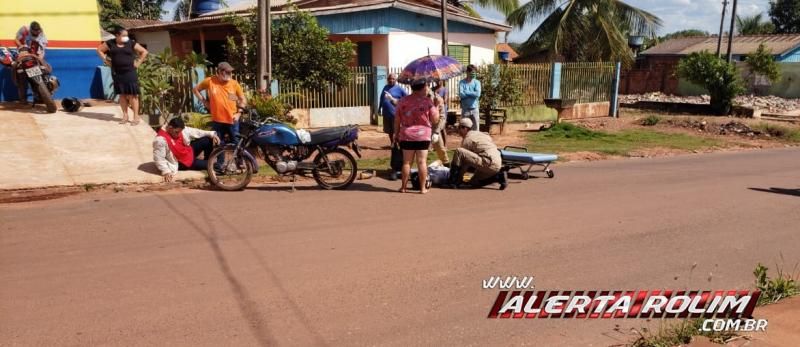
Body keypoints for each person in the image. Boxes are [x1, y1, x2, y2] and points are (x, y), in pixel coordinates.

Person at [393, 81, 439, 194]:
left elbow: (397, 120)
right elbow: (435, 120)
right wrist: (436, 105)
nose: (427, 88)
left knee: (406, 162)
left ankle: (403, 187)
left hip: (407, 135)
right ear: (423, 87)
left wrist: (396, 133)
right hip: (423, 136)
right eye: (427, 86)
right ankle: (423, 188)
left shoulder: (403, 101)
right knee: (422, 162)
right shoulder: (428, 101)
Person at [97, 27, 149, 125]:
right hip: (117, 72)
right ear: (117, 35)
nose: (126, 37)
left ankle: (136, 117)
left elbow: (144, 52)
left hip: (130, 72)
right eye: (124, 36)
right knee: (122, 94)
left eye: (127, 35)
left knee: (133, 94)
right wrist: (106, 60)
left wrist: (138, 62)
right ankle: (125, 116)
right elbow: (99, 50)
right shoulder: (110, 43)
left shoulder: (131, 43)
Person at [193, 62, 247, 145]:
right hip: (217, 121)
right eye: (227, 72)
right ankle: (220, 158)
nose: (230, 74)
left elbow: (243, 99)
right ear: (220, 72)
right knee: (219, 145)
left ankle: (239, 158)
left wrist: (239, 113)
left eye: (230, 72)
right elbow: (195, 90)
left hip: (232, 120)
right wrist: (204, 102)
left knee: (237, 145)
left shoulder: (234, 84)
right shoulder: (210, 81)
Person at [153, 117, 220, 182]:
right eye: (177, 132)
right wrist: (166, 171)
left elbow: (196, 132)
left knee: (208, 139)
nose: (179, 134)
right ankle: (208, 164)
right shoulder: (160, 140)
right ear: (170, 128)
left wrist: (211, 134)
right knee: (216, 166)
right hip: (183, 162)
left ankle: (207, 160)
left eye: (180, 132)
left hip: (189, 151)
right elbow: (159, 158)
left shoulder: (179, 129)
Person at [449, 118, 507, 190]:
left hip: (487, 162)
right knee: (471, 181)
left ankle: (452, 182)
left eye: (459, 127)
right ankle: (498, 177)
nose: (458, 130)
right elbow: (472, 162)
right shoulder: (480, 133)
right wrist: (466, 178)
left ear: (465, 128)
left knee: (459, 151)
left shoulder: (467, 140)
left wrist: (459, 178)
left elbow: (464, 164)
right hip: (497, 164)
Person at [379, 73, 408, 180]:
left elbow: (406, 99)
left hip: (396, 116)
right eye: (389, 79)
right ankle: (393, 143)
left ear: (396, 80)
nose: (391, 80)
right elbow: (382, 98)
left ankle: (397, 148)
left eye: (393, 79)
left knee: (397, 135)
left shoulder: (400, 89)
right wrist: (379, 108)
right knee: (390, 133)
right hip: (386, 115)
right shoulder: (385, 87)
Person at [13, 21, 50, 102]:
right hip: (24, 54)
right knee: (21, 75)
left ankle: (44, 93)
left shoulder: (41, 32)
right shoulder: (24, 29)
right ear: (31, 30)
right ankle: (23, 100)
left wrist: (40, 57)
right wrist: (21, 46)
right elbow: (16, 39)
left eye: (38, 31)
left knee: (46, 69)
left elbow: (42, 46)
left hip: (35, 55)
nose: (37, 33)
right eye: (34, 32)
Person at [430, 81, 449, 165]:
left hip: (434, 125)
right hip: (422, 127)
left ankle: (446, 164)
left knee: (440, 147)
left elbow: (442, 117)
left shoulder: (438, 99)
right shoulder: (417, 99)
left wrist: (437, 131)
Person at [458, 64, 481, 131]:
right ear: (467, 72)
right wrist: (472, 93)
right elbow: (461, 94)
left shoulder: (477, 82)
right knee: (464, 129)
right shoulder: (462, 82)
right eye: (472, 72)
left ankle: (476, 141)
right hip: (465, 109)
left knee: (476, 129)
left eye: (474, 72)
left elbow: (478, 94)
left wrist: (467, 92)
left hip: (475, 109)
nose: (473, 74)